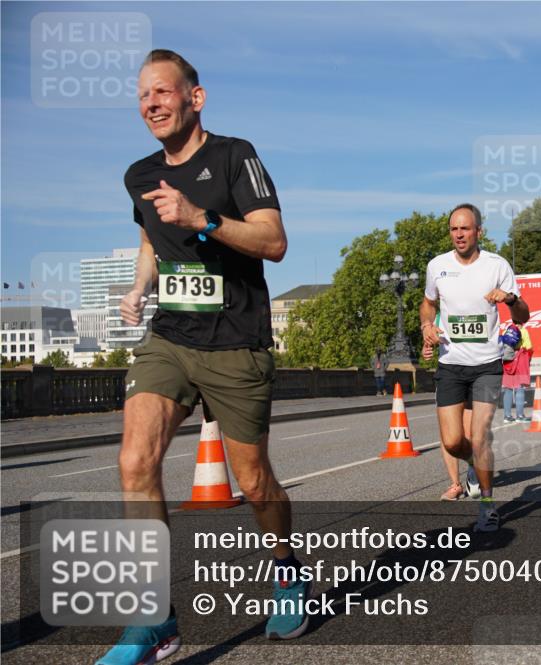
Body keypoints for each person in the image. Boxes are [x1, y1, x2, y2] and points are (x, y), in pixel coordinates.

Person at [102, 50, 302, 664]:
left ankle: (287, 572)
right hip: (170, 337)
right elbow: (150, 238)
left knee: (255, 482)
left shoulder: (235, 156)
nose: (151, 104)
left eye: (163, 92)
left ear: (196, 97)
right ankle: (154, 620)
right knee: (135, 460)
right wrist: (140, 287)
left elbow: (274, 241)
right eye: (143, 96)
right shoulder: (138, 174)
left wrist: (203, 218)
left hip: (237, 342)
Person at [421, 203, 529, 531]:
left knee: (479, 437)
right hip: (450, 364)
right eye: (454, 229)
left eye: (465, 228)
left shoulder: (497, 265)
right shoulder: (437, 266)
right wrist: (426, 325)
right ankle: (474, 466)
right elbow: (428, 303)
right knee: (453, 442)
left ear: (478, 231)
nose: (459, 234)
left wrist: (510, 299)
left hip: (486, 365)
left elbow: (523, 316)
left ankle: (487, 505)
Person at [501, 319, 533, 423]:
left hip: (508, 361)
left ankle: (507, 416)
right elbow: (529, 347)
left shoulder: (506, 330)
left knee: (508, 388)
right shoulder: (523, 331)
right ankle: (520, 416)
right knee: (520, 387)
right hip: (519, 359)